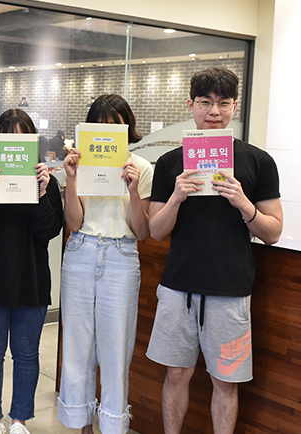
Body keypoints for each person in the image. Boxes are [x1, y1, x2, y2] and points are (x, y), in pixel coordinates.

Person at [146, 68, 282, 433]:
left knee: (225, 381)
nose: (214, 112)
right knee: (176, 373)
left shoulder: (257, 161)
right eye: (205, 102)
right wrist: (176, 196)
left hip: (230, 290)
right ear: (191, 105)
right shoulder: (170, 163)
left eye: (223, 103)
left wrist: (243, 202)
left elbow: (273, 232)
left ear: (234, 106)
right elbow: (155, 231)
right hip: (178, 287)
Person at [0, 109, 63, 434]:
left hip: (31, 278)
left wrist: (41, 193)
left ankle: (19, 419)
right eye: (8, 136)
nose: (15, 143)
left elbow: (50, 230)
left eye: (22, 136)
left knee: (27, 355)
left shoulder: (46, 181)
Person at [57, 94, 153, 434]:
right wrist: (71, 179)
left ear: (127, 129)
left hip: (121, 256)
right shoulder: (80, 164)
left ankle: (113, 427)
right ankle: (82, 425)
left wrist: (133, 190)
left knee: (116, 350)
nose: (107, 132)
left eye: (115, 126)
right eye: (100, 125)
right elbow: (73, 223)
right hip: (81, 251)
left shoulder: (141, 168)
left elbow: (142, 232)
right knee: (77, 347)